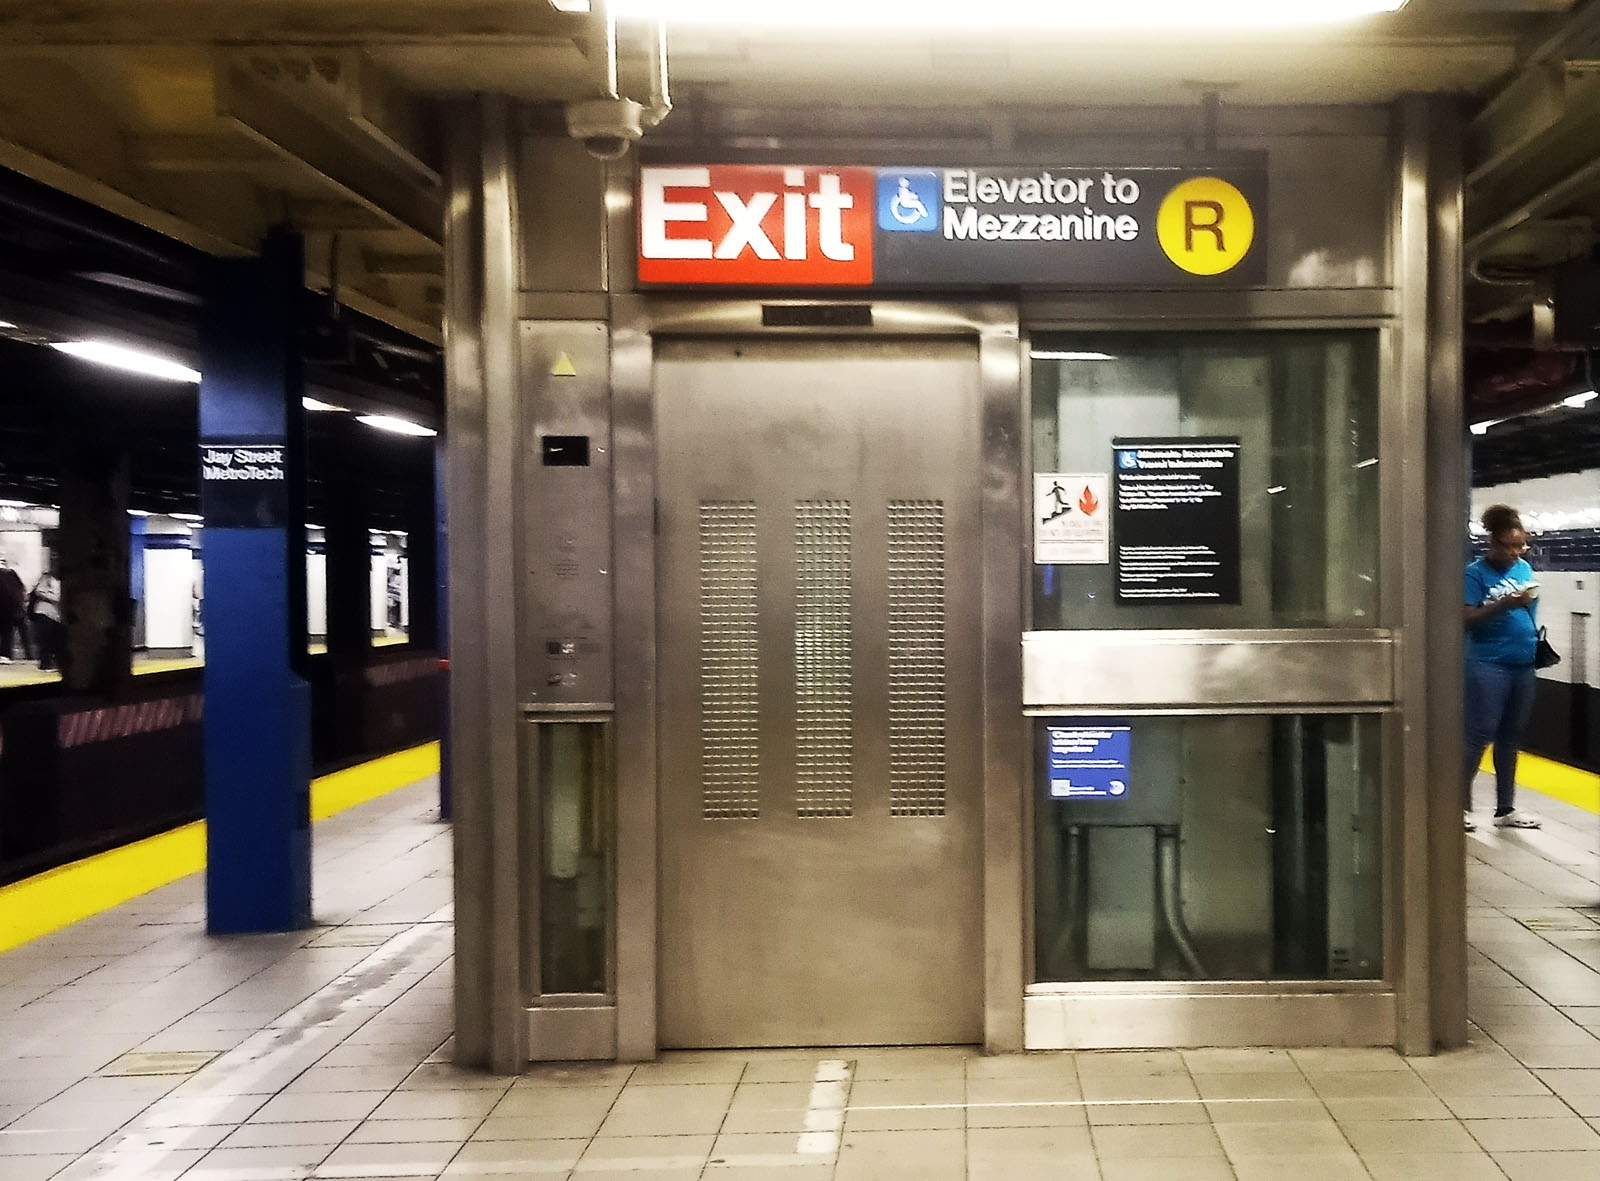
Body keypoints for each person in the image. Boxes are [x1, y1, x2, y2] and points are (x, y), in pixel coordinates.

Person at [1462, 504, 1542, 831]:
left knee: (1511, 735)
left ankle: (1505, 809)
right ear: (1492, 543)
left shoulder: (1524, 569)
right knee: (1478, 735)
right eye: (1508, 546)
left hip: (1522, 664)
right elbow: (1465, 617)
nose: (1515, 552)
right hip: (1487, 663)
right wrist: (1504, 604)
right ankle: (1456, 805)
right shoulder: (1475, 574)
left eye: (1520, 545)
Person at [29, 567, 62, 673]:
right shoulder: (46, 578)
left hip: (55, 615)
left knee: (54, 640)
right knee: (45, 639)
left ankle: (50, 663)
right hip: (44, 613)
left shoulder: (59, 580)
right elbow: (39, 591)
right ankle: (45, 664)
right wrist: (53, 596)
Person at [0, 557, 24, 662]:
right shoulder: (11, 575)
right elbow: (19, 590)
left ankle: (5, 654)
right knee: (7, 633)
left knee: (6, 632)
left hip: (6, 608)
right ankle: (5, 655)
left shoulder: (9, 575)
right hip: (8, 609)